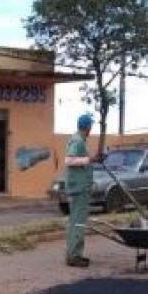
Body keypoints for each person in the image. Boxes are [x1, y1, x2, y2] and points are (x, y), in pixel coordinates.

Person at [63, 113, 101, 267]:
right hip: (78, 187)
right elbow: (69, 160)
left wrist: (92, 159)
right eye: (90, 126)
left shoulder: (79, 140)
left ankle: (74, 253)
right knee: (78, 222)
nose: (91, 129)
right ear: (87, 127)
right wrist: (89, 159)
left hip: (78, 186)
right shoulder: (78, 141)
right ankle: (74, 256)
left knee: (75, 222)